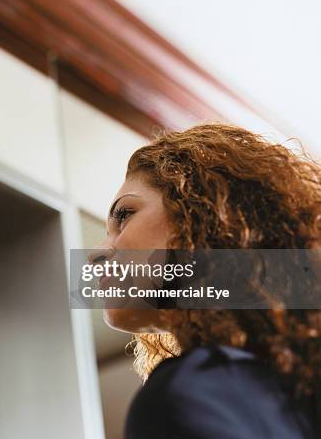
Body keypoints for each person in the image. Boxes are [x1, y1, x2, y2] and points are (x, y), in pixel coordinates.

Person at [88, 124, 319, 438]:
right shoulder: (293, 395)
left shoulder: (187, 392)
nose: (97, 255)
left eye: (125, 215)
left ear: (199, 213)